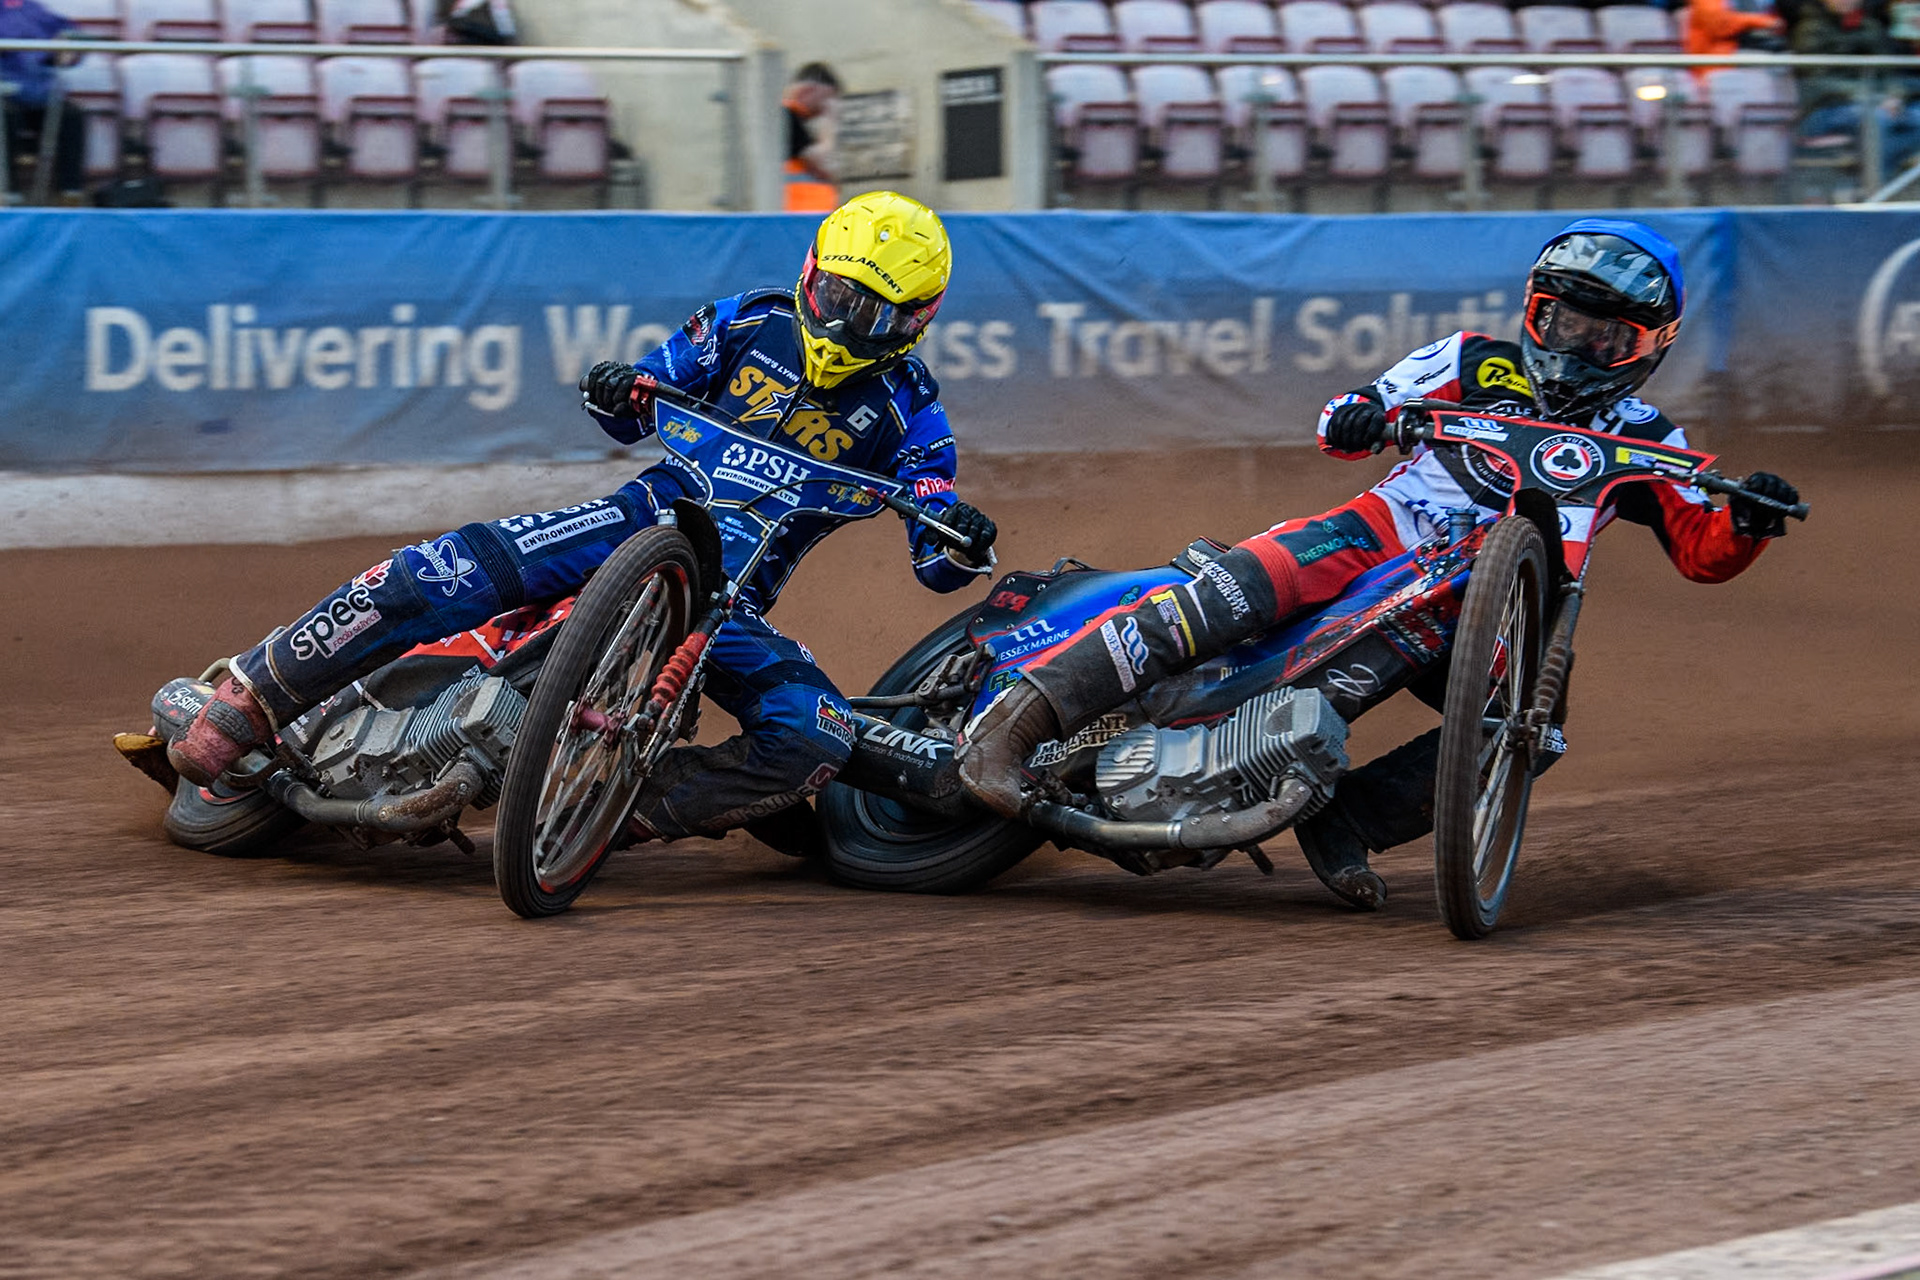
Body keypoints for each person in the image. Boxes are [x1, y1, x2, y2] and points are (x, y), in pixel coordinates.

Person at [958, 220, 1800, 910]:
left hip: (1494, 605)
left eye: (1605, 334)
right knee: (1236, 589)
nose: (1575, 346)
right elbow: (1342, 417)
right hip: (1376, 531)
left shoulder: (1651, 440)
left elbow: (1705, 553)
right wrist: (1364, 414)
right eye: (1561, 322)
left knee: (1530, 731)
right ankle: (1015, 725)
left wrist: (1750, 519)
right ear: (1534, 312)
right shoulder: (1472, 359)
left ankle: (1345, 823)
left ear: (1649, 346)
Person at [164, 191, 1000, 845]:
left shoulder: (912, 413)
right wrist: (619, 384)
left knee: (813, 732)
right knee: (445, 568)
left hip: (730, 602)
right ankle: (248, 699)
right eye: (834, 292)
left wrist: (959, 532)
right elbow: (635, 404)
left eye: (871, 312)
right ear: (813, 268)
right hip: (632, 520)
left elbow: (937, 554)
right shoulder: (750, 318)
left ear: (915, 321)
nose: (842, 319)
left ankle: (616, 807)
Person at [0, 0, 86, 201]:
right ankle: (8, 191)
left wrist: (69, 47)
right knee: (4, 116)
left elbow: (71, 32)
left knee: (71, 115)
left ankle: (70, 192)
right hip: (5, 90)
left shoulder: (34, 9)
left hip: (40, 91)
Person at [783, 62, 841, 213]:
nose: (826, 106)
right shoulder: (787, 116)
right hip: (797, 217)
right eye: (827, 98)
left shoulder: (794, 120)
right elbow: (824, 164)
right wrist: (829, 121)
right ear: (809, 90)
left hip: (802, 217)